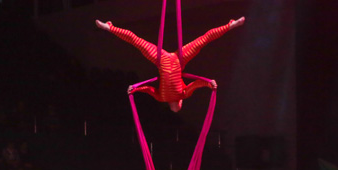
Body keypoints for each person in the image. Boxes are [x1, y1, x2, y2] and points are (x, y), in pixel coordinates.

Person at [95, 17, 245, 112]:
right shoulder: (183, 94)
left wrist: (135, 88)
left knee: (136, 41)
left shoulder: (162, 98)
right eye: (178, 107)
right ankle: (230, 25)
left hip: (162, 60)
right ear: (180, 103)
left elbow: (148, 89)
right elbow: (196, 84)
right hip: (179, 60)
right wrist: (209, 83)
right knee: (203, 40)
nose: (176, 107)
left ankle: (109, 27)